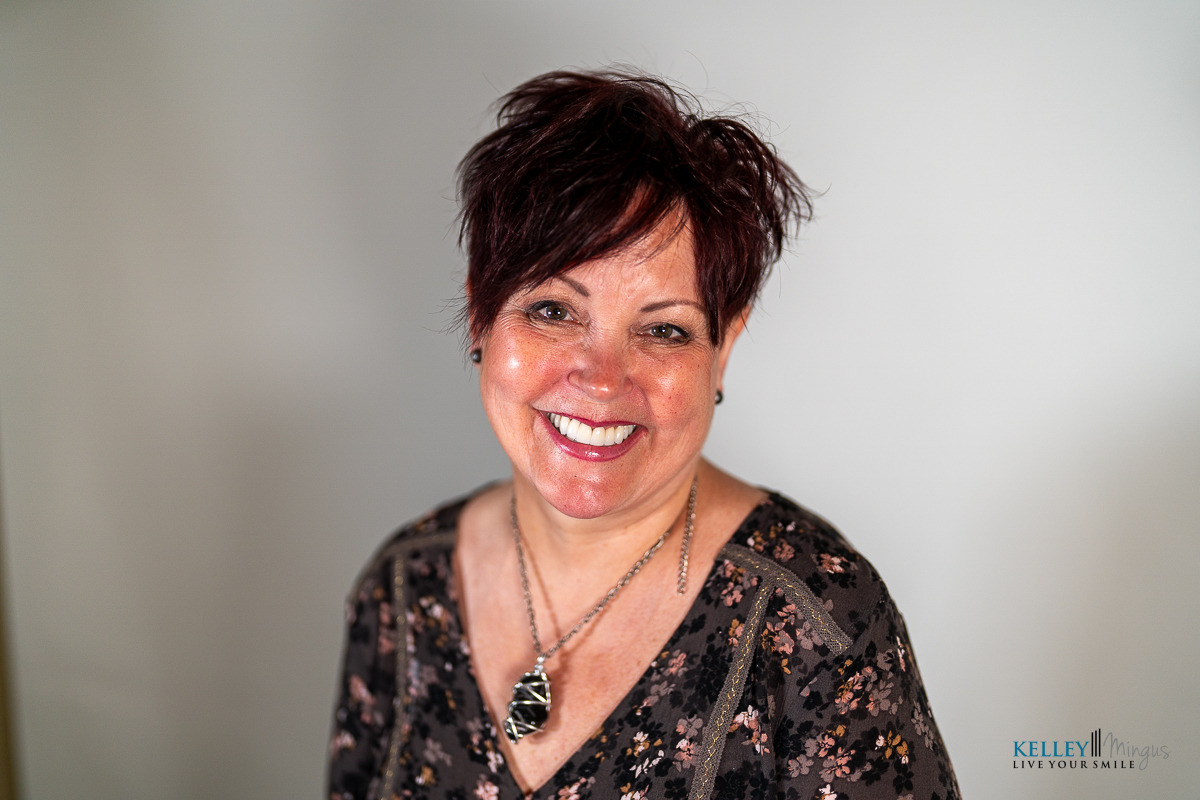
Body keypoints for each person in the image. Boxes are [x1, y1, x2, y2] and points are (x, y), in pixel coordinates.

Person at [328, 69, 960, 800]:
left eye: (664, 329)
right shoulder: (402, 591)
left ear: (722, 348)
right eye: (554, 312)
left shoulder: (819, 624)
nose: (602, 380)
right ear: (480, 315)